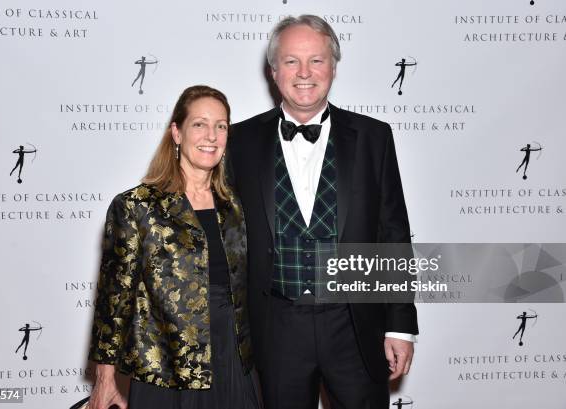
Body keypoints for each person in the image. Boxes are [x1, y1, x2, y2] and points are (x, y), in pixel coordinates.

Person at [228, 15, 419, 409]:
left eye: (316, 60)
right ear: (273, 71)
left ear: (333, 67)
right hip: (276, 326)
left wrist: (400, 326)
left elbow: (393, 236)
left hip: (354, 325)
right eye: (292, 61)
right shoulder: (238, 140)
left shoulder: (373, 137)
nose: (304, 73)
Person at [88, 85, 258, 409]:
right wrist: (105, 380)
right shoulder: (136, 206)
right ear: (177, 133)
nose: (211, 135)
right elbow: (113, 303)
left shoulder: (236, 205)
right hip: (167, 369)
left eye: (220, 126)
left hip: (234, 361)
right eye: (200, 124)